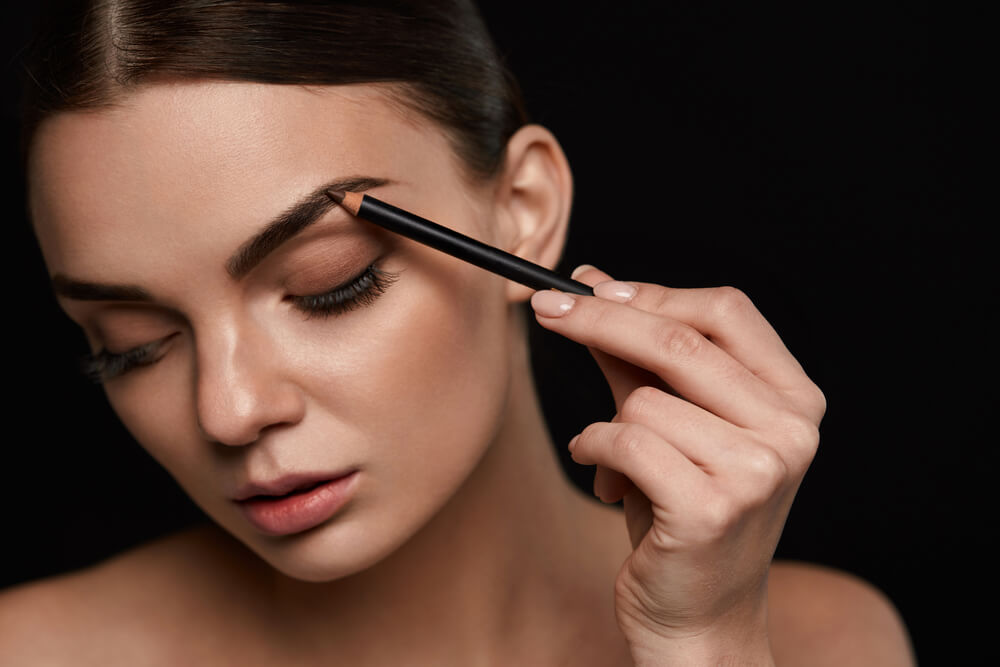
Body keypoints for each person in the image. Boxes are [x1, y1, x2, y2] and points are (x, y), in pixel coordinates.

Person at [1, 1, 914, 664]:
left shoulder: (828, 642)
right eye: (130, 342)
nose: (229, 410)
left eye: (331, 285)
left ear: (521, 210)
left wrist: (704, 646)